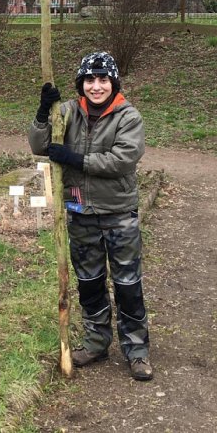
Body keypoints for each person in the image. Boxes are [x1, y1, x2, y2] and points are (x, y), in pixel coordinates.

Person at [28, 51, 153, 381]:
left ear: (113, 83)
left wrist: (76, 159)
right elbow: (39, 145)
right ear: (81, 84)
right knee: (90, 284)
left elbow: (122, 160)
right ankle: (97, 342)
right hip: (80, 212)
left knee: (127, 284)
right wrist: (44, 112)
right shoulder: (68, 112)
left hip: (118, 213)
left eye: (102, 80)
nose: (96, 86)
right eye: (89, 80)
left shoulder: (128, 117)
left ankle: (137, 349)